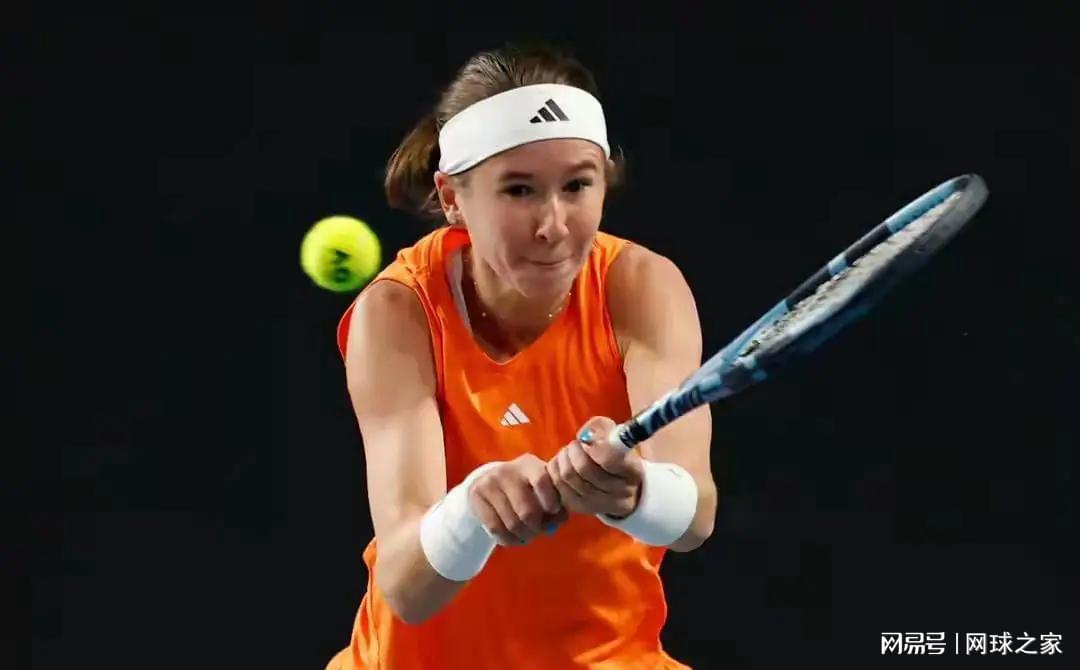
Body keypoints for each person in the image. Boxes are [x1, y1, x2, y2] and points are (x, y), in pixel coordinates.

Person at [326, 42, 717, 669]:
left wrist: (635, 491)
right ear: (452, 197)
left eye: (577, 185)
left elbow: (695, 516)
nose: (553, 225)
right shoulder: (399, 311)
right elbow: (407, 587)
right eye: (518, 190)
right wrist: (472, 509)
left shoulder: (642, 287)